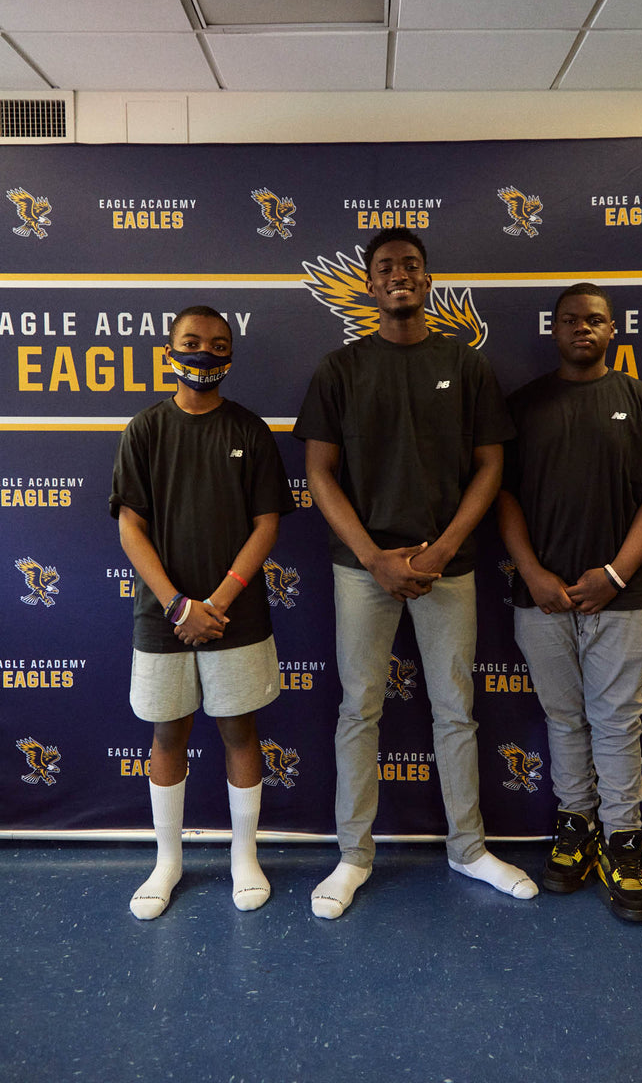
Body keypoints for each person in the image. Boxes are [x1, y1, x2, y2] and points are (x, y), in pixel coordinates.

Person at [294, 227, 537, 918]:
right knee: (358, 709)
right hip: (361, 568)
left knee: (456, 709)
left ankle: (468, 849)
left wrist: (442, 549)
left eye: (410, 265)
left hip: (447, 566)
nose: (398, 274)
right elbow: (319, 472)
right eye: (385, 267)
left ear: (427, 281)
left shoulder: (465, 365)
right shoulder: (339, 369)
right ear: (370, 286)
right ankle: (353, 856)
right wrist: (375, 557)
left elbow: (491, 466)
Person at [496, 283, 642, 923]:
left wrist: (614, 573)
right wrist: (532, 573)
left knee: (616, 722)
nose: (581, 328)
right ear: (553, 330)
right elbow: (502, 495)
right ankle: (575, 825)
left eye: (594, 320)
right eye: (569, 320)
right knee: (563, 719)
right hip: (543, 598)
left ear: (613, 330)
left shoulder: (641, 401)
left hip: (621, 595)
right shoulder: (523, 406)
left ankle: (623, 840)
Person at [109, 305, 295, 919]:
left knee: (239, 730)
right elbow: (130, 525)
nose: (204, 354)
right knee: (168, 733)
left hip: (234, 616)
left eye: (217, 344)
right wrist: (177, 604)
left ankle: (246, 855)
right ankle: (168, 861)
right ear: (168, 352)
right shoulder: (145, 430)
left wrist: (215, 603)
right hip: (162, 616)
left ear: (231, 356)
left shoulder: (249, 430)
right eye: (191, 342)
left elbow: (267, 525)